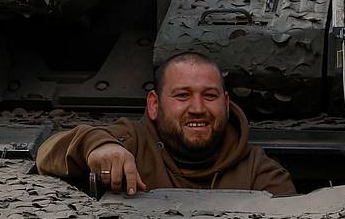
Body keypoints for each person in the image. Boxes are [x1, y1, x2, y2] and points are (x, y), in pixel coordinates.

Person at [35, 52, 296, 197]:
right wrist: (97, 148)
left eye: (209, 96)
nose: (197, 109)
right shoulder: (133, 141)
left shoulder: (259, 171)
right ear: (154, 104)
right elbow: (48, 153)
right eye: (182, 95)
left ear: (226, 103)